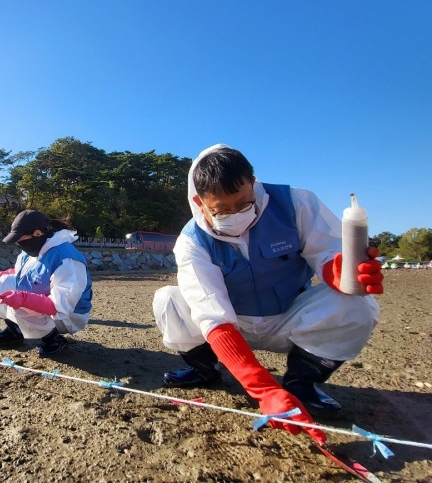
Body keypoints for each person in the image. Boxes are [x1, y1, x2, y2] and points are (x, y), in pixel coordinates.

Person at [152, 144, 383, 444]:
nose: (237, 215)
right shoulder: (191, 241)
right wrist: (263, 390)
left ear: (253, 182)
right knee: (168, 299)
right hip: (233, 325)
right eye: (223, 210)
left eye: (244, 203)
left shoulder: (296, 203)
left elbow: (328, 251)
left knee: (359, 303)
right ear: (200, 201)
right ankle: (205, 368)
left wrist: (341, 271)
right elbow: (212, 316)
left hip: (288, 318)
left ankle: (302, 382)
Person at [0, 210, 93, 358]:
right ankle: (14, 331)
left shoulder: (67, 259)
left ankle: (53, 338)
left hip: (69, 314)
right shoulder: (32, 250)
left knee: (21, 304)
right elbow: (18, 273)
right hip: (44, 300)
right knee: (6, 281)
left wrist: (22, 299)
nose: (18, 243)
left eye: (20, 238)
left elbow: (59, 305)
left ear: (37, 233)